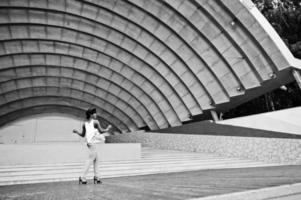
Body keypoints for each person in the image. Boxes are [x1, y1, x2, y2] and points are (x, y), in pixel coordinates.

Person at [73, 108, 112, 184]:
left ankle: (97, 177)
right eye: (95, 113)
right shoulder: (96, 122)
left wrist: (77, 132)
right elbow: (101, 131)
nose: (96, 114)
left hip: (89, 144)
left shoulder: (85, 123)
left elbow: (83, 135)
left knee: (96, 160)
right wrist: (108, 128)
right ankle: (82, 177)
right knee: (90, 160)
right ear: (91, 114)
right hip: (93, 144)